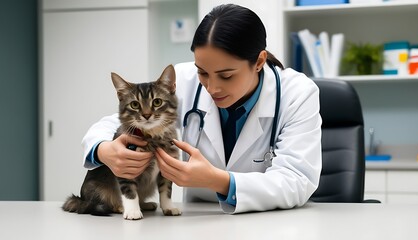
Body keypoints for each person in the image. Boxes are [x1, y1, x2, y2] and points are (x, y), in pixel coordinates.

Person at [82, 4, 322, 214]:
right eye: (203, 72)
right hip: (198, 221)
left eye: (226, 75)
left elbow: (297, 181)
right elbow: (114, 123)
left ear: (258, 62)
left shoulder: (297, 93)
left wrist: (218, 180)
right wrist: (104, 151)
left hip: (275, 223)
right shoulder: (185, 81)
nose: (212, 87)